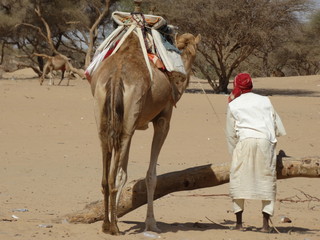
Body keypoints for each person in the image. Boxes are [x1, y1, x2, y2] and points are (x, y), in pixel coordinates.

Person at [225, 73, 286, 232]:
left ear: (236, 86)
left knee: (238, 179)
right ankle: (265, 225)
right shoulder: (265, 100)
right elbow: (277, 125)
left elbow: (230, 133)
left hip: (245, 142)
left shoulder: (233, 104)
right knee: (267, 180)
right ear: (251, 85)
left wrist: (234, 154)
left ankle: (239, 224)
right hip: (265, 141)